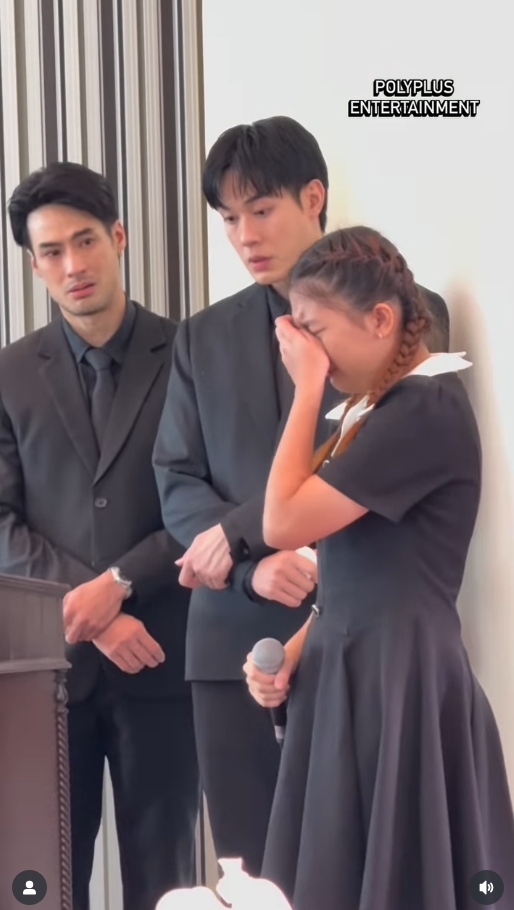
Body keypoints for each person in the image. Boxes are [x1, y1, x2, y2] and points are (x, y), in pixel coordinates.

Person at [153, 115, 451, 877]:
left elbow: (376, 460)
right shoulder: (201, 337)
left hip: (358, 638)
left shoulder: (398, 315)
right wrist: (251, 567)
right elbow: (176, 481)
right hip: (228, 638)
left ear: (313, 197)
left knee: (359, 867)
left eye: (260, 209)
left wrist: (252, 533)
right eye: (228, 219)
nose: (244, 235)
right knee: (251, 872)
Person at [243, 226, 514, 910]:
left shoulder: (425, 406)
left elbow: (281, 523)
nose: (304, 349)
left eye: (314, 330)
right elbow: (357, 569)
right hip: (361, 663)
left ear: (381, 320)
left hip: (401, 676)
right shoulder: (377, 409)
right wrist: (299, 648)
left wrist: (305, 391)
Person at [1, 162, 199, 910]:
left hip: (165, 657)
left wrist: (120, 588)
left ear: (118, 237)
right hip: (48, 673)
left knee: (167, 880)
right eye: (52, 251)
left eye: (85, 241)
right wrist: (92, 607)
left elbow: (207, 505)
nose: (72, 265)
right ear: (34, 265)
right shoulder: (10, 373)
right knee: (46, 881)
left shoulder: (190, 355)